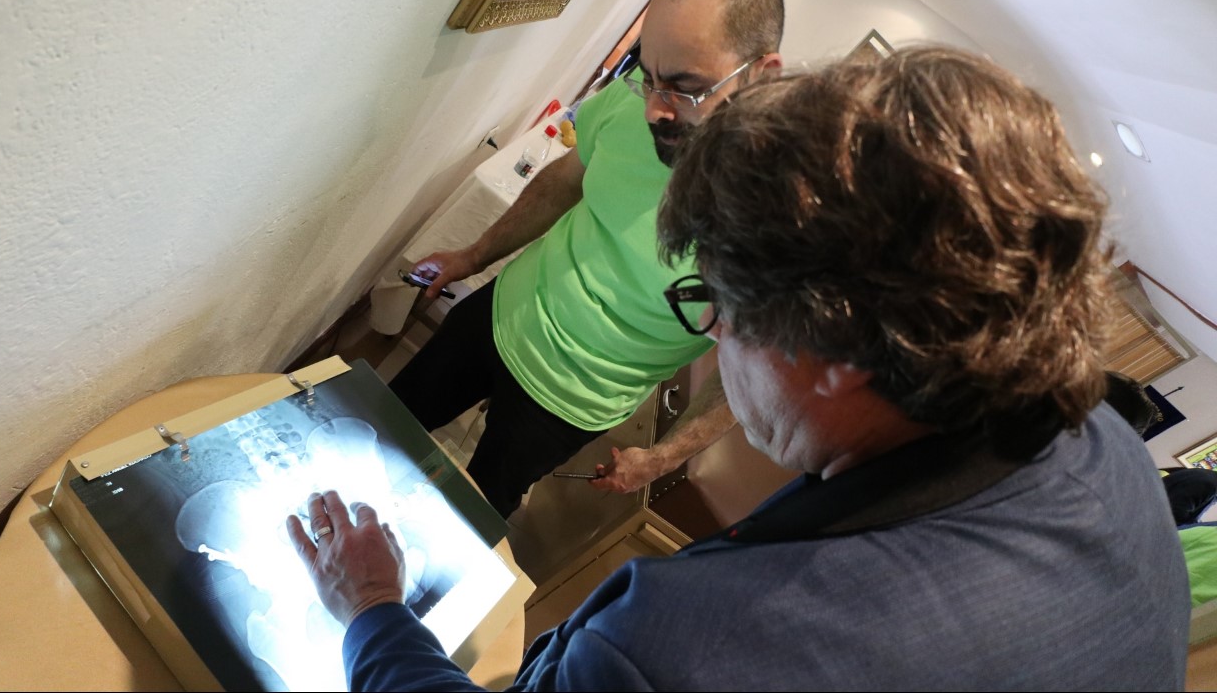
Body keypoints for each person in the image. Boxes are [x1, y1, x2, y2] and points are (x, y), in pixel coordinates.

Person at [291, 46, 1190, 689]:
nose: (710, 336)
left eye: (715, 307)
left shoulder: (683, 645)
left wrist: (372, 608)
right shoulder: (1107, 449)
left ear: (832, 349)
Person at [387, 0, 785, 518]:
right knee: (377, 428)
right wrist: (472, 256)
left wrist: (663, 457)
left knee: (465, 521)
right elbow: (564, 181)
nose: (654, 110)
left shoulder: (790, 229)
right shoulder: (634, 103)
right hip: (504, 311)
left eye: (685, 87)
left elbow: (754, 372)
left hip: (573, 400)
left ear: (761, 75)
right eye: (649, 77)